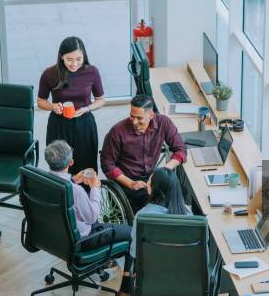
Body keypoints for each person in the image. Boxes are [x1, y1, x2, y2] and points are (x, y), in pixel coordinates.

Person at [115, 167, 192, 296]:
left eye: (150, 181)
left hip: (151, 280)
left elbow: (134, 253)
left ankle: (126, 292)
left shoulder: (142, 216)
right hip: (184, 279)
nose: (147, 183)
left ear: (156, 189)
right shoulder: (190, 216)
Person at [101, 94, 187, 212]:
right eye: (132, 116)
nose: (134, 122)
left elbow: (181, 149)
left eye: (139, 118)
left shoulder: (163, 122)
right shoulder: (117, 132)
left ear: (151, 115)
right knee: (155, 200)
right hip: (127, 180)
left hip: (151, 177)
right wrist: (131, 183)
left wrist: (164, 170)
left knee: (179, 191)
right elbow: (107, 164)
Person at [44, 140, 132, 251]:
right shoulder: (76, 191)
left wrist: (73, 180)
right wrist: (95, 187)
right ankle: (127, 268)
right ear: (71, 162)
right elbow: (91, 218)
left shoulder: (41, 179)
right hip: (82, 239)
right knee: (132, 232)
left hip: (55, 233)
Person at [38, 37, 106, 176]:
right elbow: (40, 101)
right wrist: (52, 106)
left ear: (84, 56)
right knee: (59, 166)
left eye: (79, 59)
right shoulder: (49, 74)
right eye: (69, 59)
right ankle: (62, 196)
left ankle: (86, 197)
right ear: (61, 56)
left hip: (84, 124)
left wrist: (87, 108)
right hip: (59, 125)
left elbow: (101, 100)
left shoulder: (92, 72)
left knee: (86, 166)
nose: (74, 64)